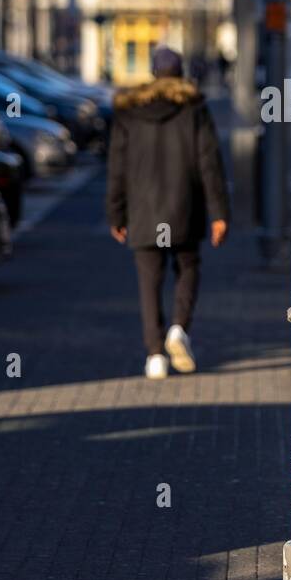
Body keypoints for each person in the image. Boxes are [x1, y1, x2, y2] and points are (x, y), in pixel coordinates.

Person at [106, 45, 230, 379]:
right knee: (187, 267)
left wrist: (116, 214)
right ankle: (178, 328)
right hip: (184, 206)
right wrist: (219, 212)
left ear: (153, 74)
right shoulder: (194, 109)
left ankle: (154, 354)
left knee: (149, 281)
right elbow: (209, 164)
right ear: (180, 73)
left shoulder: (129, 112)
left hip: (143, 211)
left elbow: (117, 167)